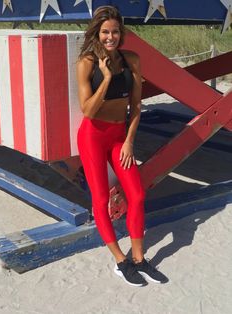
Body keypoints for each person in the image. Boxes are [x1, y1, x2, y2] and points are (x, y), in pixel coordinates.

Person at [76, 5, 168, 287]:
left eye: (115, 31)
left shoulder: (132, 60)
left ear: (121, 33)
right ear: (97, 33)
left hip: (119, 136)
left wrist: (129, 141)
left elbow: (137, 105)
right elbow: (88, 110)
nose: (110, 36)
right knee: (101, 200)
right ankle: (120, 261)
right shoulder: (87, 62)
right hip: (92, 136)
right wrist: (105, 79)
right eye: (105, 31)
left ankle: (139, 258)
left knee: (137, 195)